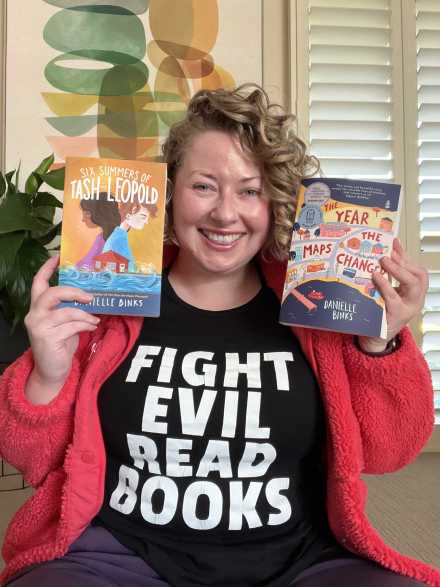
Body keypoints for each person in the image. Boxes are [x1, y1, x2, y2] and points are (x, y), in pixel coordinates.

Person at [0, 85, 438, 587]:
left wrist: (380, 345)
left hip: (297, 562)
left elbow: (390, 452)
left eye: (249, 191)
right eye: (204, 186)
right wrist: (48, 374)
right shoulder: (106, 303)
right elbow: (29, 458)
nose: (226, 214)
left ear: (274, 202)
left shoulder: (317, 307)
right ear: (169, 193)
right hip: (120, 557)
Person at [102, 198, 159, 272]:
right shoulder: (116, 241)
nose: (146, 222)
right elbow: (115, 272)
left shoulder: (120, 237)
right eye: (143, 216)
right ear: (128, 215)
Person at [75, 196, 121, 270]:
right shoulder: (109, 236)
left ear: (101, 213)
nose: (83, 219)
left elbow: (86, 264)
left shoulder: (103, 239)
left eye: (87, 213)